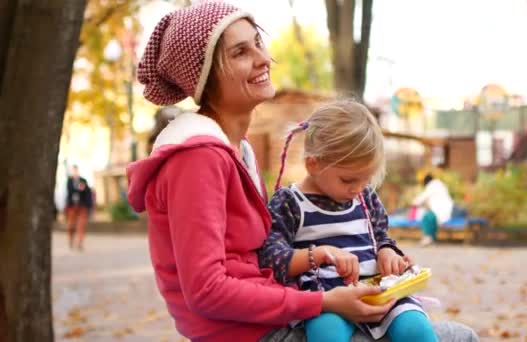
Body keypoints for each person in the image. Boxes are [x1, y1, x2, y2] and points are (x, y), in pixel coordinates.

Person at [127, 2, 479, 341]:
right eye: (240, 53)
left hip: (268, 315)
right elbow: (205, 290)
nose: (264, 59)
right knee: (460, 337)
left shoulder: (236, 150)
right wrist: (322, 301)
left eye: (258, 44)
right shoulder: (198, 159)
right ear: (204, 75)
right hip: (247, 332)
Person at [259, 100, 437, 341]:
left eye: (366, 179)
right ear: (313, 164)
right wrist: (319, 254)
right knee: (326, 334)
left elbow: (381, 237)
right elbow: (271, 258)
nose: (358, 189)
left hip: (379, 293)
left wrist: (388, 253)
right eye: (348, 180)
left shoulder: (365, 197)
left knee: (416, 329)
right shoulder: (290, 202)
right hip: (328, 302)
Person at [412, 173, 466, 246]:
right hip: (448, 210)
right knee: (431, 217)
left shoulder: (432, 186)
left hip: (440, 211)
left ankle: (427, 238)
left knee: (427, 217)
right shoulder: (441, 184)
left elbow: (419, 200)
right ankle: (431, 238)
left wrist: (414, 203)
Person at [65, 165, 93, 250]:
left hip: (82, 206)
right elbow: (70, 190)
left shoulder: (83, 180)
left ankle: (80, 243)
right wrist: (79, 188)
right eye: (74, 171)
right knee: (71, 225)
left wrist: (89, 205)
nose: (75, 172)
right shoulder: (69, 181)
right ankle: (71, 240)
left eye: (76, 170)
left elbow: (87, 191)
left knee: (81, 225)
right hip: (72, 206)